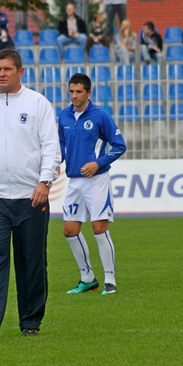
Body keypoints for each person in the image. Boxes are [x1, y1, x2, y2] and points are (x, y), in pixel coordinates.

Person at [0, 48, 60, 341]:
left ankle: (30, 322)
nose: (1, 74)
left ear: (20, 72)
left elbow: (51, 148)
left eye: (7, 69)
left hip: (32, 198)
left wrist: (45, 182)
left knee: (31, 261)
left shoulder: (38, 104)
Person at [59, 73, 127, 296]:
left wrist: (97, 164)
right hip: (73, 181)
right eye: (71, 91)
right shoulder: (64, 117)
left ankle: (110, 280)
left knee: (99, 228)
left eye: (79, 92)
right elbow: (60, 148)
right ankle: (87, 277)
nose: (74, 96)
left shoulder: (100, 116)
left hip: (96, 181)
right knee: (70, 231)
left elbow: (119, 146)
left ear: (89, 93)